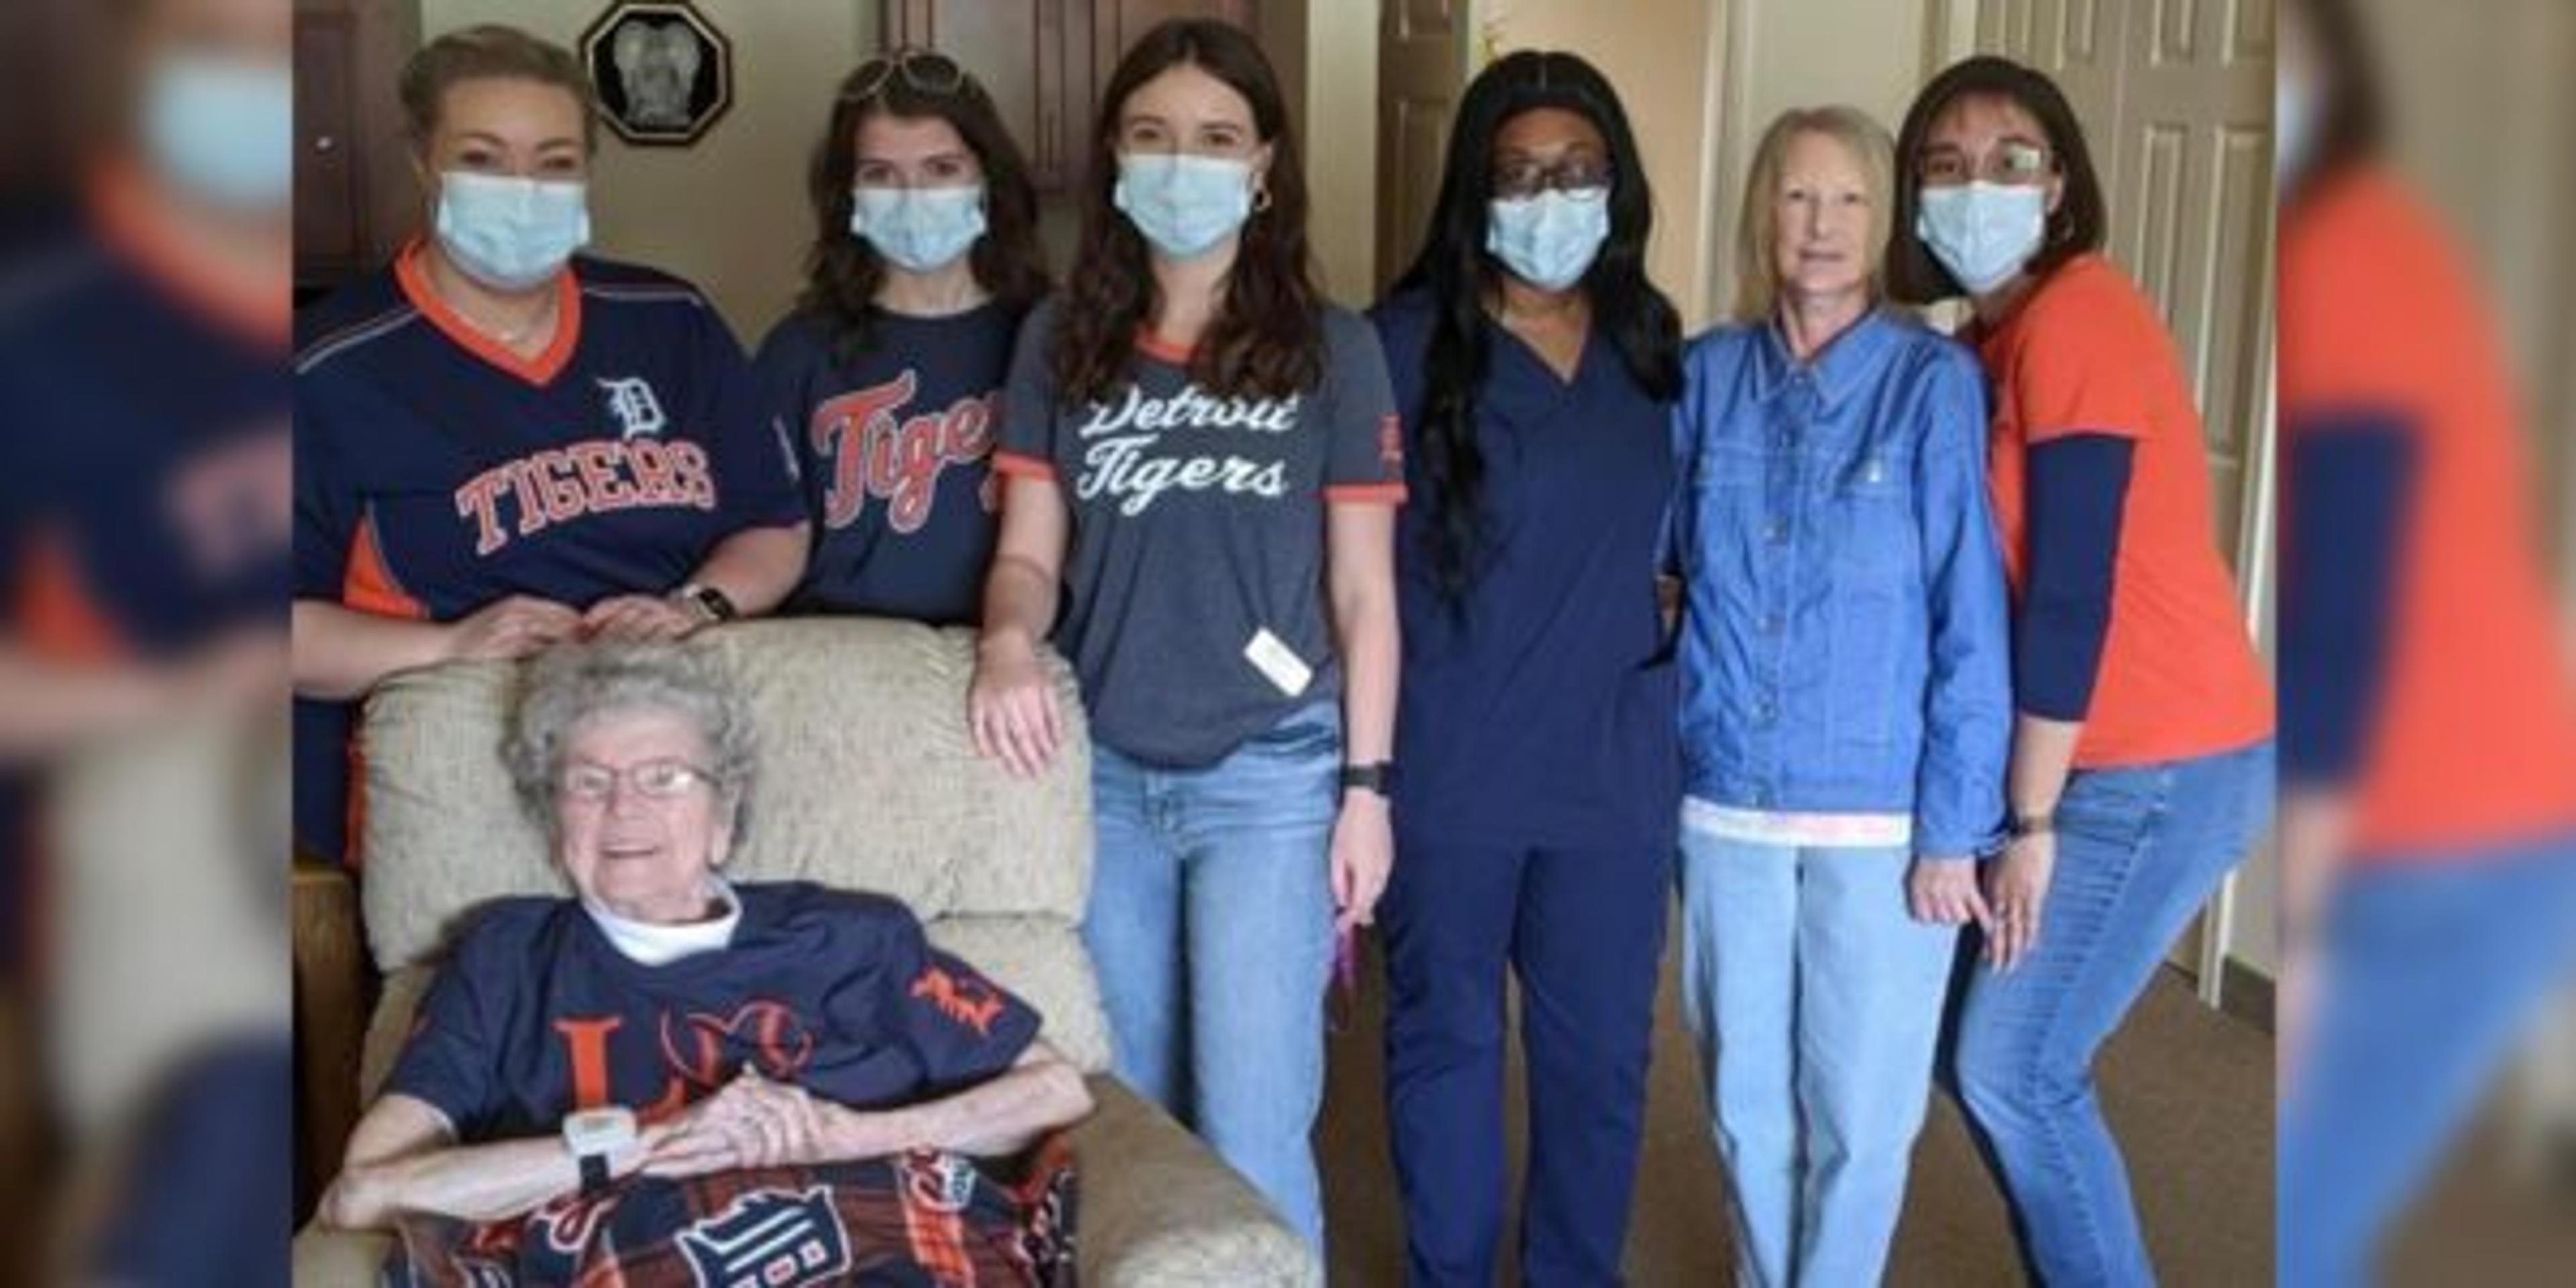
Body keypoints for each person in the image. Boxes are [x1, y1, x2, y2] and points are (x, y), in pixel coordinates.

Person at [964, 17, 1403, 1249]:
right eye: (1153, 136)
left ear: (1264, 165)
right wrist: (1006, 642)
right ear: (1113, 155)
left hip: (1272, 777)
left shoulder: (1335, 349)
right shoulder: (1061, 341)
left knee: (1258, 1131)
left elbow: (1366, 596)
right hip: (1099, 774)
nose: (1182, 163)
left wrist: (1366, 791)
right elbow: (1028, 553)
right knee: (1138, 1121)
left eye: (1215, 139)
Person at [317, 642, 1093, 1283]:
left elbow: (1056, 1089)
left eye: (665, 778)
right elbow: (362, 1194)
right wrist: (645, 1144)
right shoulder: (507, 958)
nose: (625, 808)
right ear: (553, 820)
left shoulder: (853, 936)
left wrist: (844, 1136)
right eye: (588, 783)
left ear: (724, 818)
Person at [1888, 55, 2275, 1285]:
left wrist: (2031, 819)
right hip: (2086, 755)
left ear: (2061, 188)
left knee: (2017, 1068)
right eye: (1944, 167)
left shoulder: (2080, 318)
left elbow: (2069, 591)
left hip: (2151, 766)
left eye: (2012, 161)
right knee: (1988, 1059)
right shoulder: (1985, 342)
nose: (1977, 186)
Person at [292, 25, 808, 866]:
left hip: (674, 757)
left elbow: (775, 524)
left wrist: (695, 605)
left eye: (556, 161)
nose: (523, 189)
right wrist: (450, 646)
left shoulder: (668, 321)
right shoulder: (328, 368)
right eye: (485, 159)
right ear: (425, 161)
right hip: (451, 778)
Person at [1672, 105, 2008, 1287]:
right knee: (1746, 1111)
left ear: (1887, 221)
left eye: (1849, 200)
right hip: (1726, 807)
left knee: (1862, 1125)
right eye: (1797, 197)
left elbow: (1971, 618)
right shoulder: (1705, 377)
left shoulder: (1934, 384)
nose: (1820, 227)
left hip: (1882, 824)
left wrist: (1958, 830)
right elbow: (1640, 569)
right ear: (1763, 212)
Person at [1367, 50, 1681, 1285]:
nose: (1549, 197)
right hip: (1450, 767)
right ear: (1473, 192)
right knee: (1444, 1046)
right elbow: (1338, 561)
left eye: (1577, 170)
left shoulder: (1658, 349)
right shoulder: (1395, 350)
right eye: (1519, 173)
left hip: (1612, 771)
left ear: (1617, 186)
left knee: (1601, 1062)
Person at [2273, 1, 2576, 1282]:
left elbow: (2346, 599)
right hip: (2483, 820)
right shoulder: (2374, 248)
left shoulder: (2347, 261)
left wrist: (2302, 929)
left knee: (2303, 1215)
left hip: (2448, 839)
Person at [755, 46, 1046, 623]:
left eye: (942, 169)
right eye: (881, 175)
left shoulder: (1046, 335)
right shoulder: (798, 349)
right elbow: (762, 531)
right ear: (849, 195)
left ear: (986, 176)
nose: (913, 196)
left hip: (1009, 653)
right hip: (843, 652)